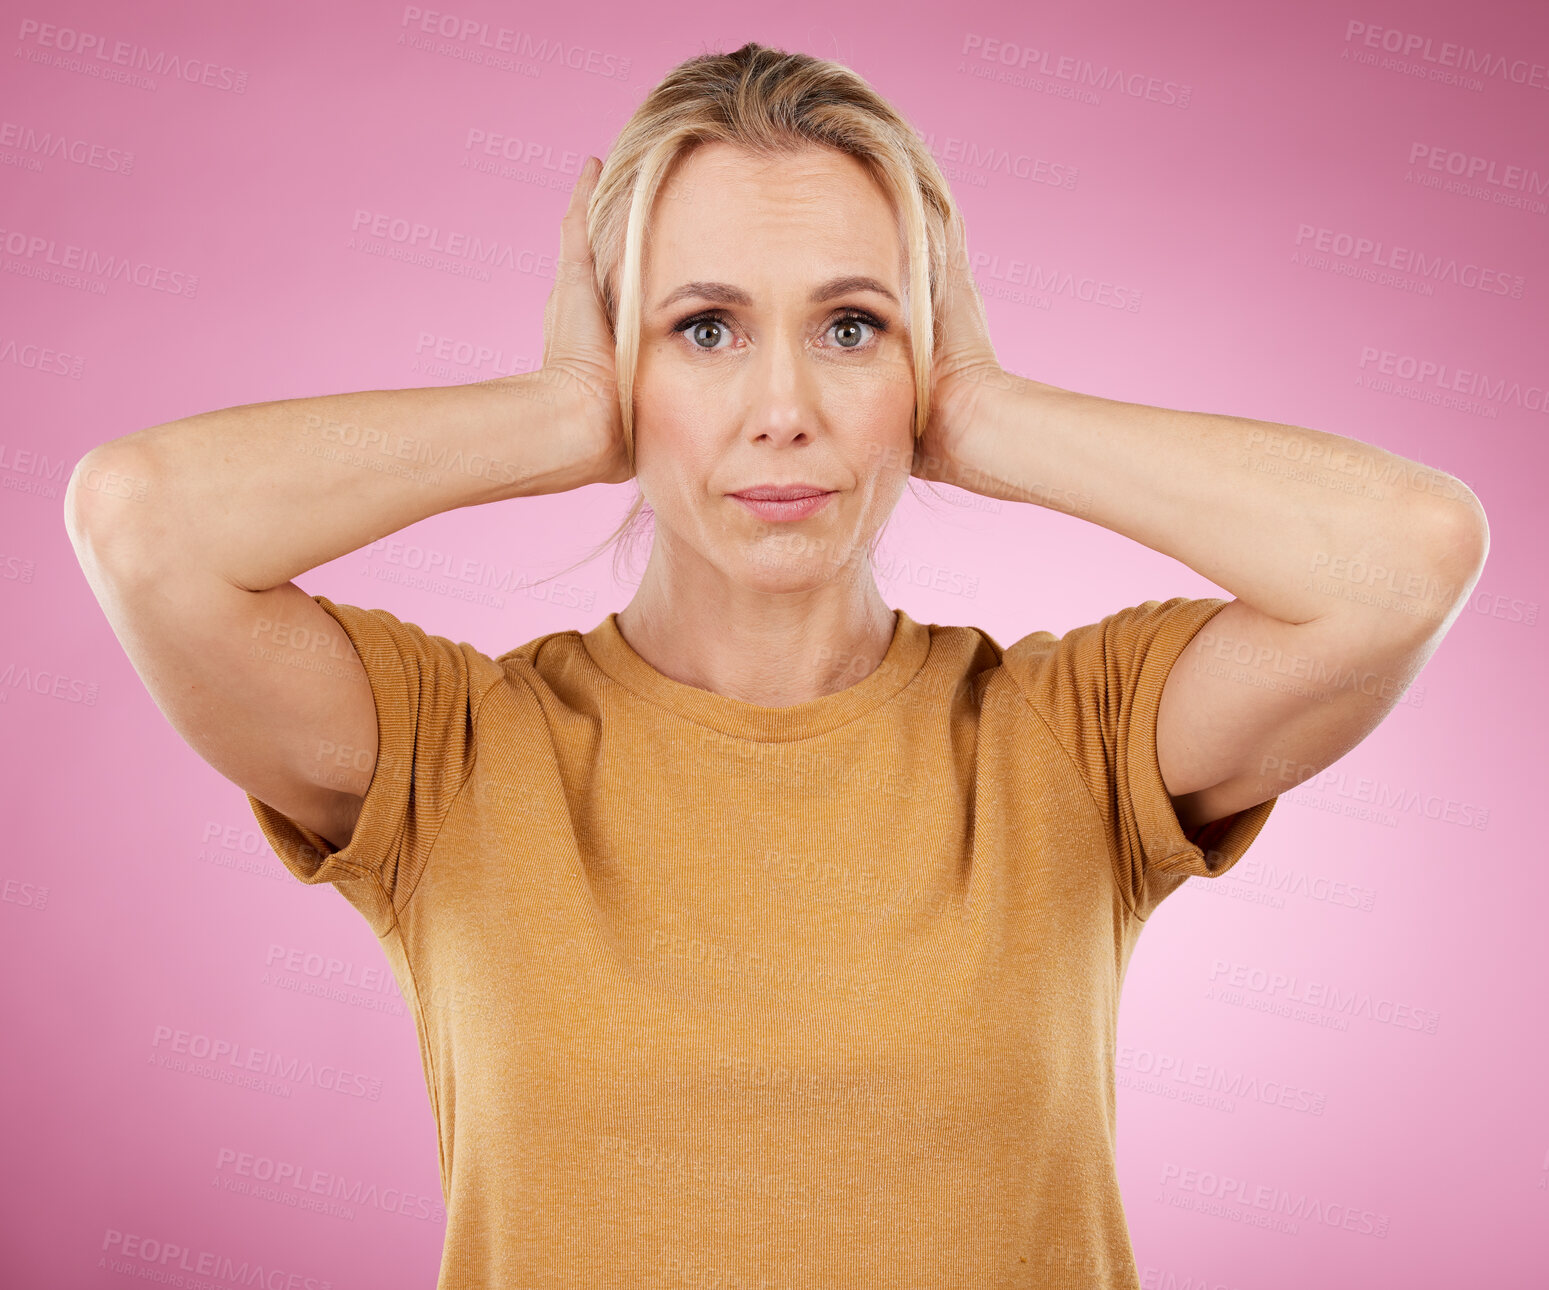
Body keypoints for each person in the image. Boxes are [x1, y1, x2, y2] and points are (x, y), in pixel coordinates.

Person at [65, 40, 1487, 1290]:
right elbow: (144, 520)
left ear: (915, 363)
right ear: (631, 362)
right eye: (705, 329)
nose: (784, 409)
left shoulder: (1073, 736)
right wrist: (561, 411)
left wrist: (985, 412)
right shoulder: (453, 750)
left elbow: (1407, 553)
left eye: (851, 327)